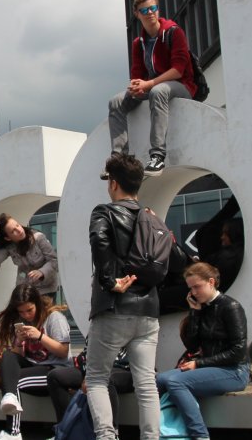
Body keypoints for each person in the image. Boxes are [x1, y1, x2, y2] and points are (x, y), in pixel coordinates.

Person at [87, 153, 161, 440]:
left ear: (113, 183)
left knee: (96, 378)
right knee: (147, 383)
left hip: (115, 308)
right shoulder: (151, 217)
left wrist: (109, 281)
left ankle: (106, 436)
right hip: (148, 311)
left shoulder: (104, 212)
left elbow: (99, 240)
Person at [107, 0, 201, 176]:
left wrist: (148, 83)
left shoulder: (174, 32)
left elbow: (178, 70)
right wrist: (135, 86)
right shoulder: (139, 43)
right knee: (116, 102)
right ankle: (119, 159)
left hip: (181, 85)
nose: (150, 13)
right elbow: (136, 74)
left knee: (158, 91)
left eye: (153, 8)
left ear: (158, 9)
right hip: (152, 86)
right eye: (145, 10)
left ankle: (157, 156)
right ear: (137, 14)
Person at [155, 262, 250, 440]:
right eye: (190, 288)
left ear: (211, 282)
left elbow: (238, 351)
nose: (193, 293)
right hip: (210, 368)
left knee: (176, 382)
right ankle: (162, 431)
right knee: (159, 380)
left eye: (197, 287)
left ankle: (200, 435)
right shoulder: (202, 309)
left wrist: (199, 363)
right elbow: (192, 346)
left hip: (235, 371)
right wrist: (195, 313)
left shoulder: (231, 307)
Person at [0, 283, 71, 440]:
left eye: (29, 310)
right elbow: (18, 355)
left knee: (12, 381)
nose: (26, 315)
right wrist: (19, 341)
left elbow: (63, 351)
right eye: (21, 312)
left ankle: (13, 432)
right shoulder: (21, 322)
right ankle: (10, 399)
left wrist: (40, 336)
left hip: (54, 369)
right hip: (34, 366)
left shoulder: (54, 318)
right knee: (8, 356)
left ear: (38, 304)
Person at [45, 348, 134, 429]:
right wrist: (88, 371)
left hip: (122, 368)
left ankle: (111, 433)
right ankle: (66, 431)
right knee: (55, 377)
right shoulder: (95, 330)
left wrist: (91, 374)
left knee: (105, 378)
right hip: (92, 368)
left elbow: (117, 356)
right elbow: (87, 352)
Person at [0, 214, 59, 299]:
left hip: (46, 290)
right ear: (8, 238)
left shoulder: (38, 238)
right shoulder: (10, 247)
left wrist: (42, 272)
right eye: (13, 231)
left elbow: (54, 260)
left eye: (17, 225)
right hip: (25, 291)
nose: (19, 230)